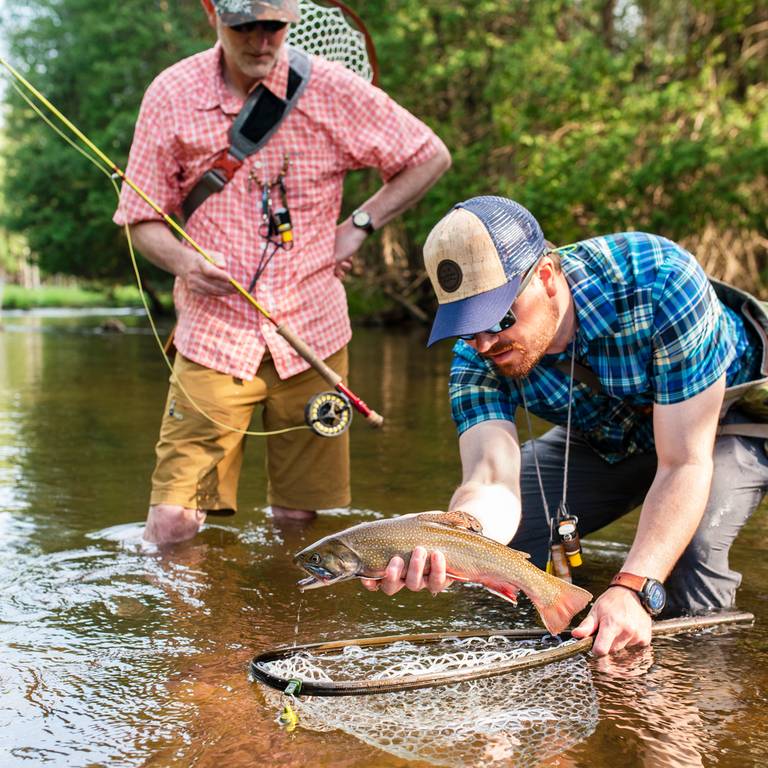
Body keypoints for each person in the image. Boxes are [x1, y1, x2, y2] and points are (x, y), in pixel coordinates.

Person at [362, 195, 767, 656]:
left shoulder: (661, 280)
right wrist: (454, 538)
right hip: (606, 437)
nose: (484, 342)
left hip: (720, 427)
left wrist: (633, 587)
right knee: (505, 547)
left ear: (548, 278)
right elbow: (491, 480)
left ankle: (690, 693)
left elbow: (684, 463)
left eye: (498, 317)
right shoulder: (474, 359)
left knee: (692, 554)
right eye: (466, 327)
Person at [114, 0, 451, 545]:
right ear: (212, 14)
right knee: (172, 521)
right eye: (244, 25)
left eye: (273, 25)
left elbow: (429, 155)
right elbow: (138, 220)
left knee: (300, 521)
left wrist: (361, 224)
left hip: (313, 332)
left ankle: (286, 626)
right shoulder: (171, 94)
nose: (260, 40)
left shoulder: (333, 89)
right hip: (212, 335)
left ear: (291, 20)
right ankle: (182, 629)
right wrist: (185, 264)